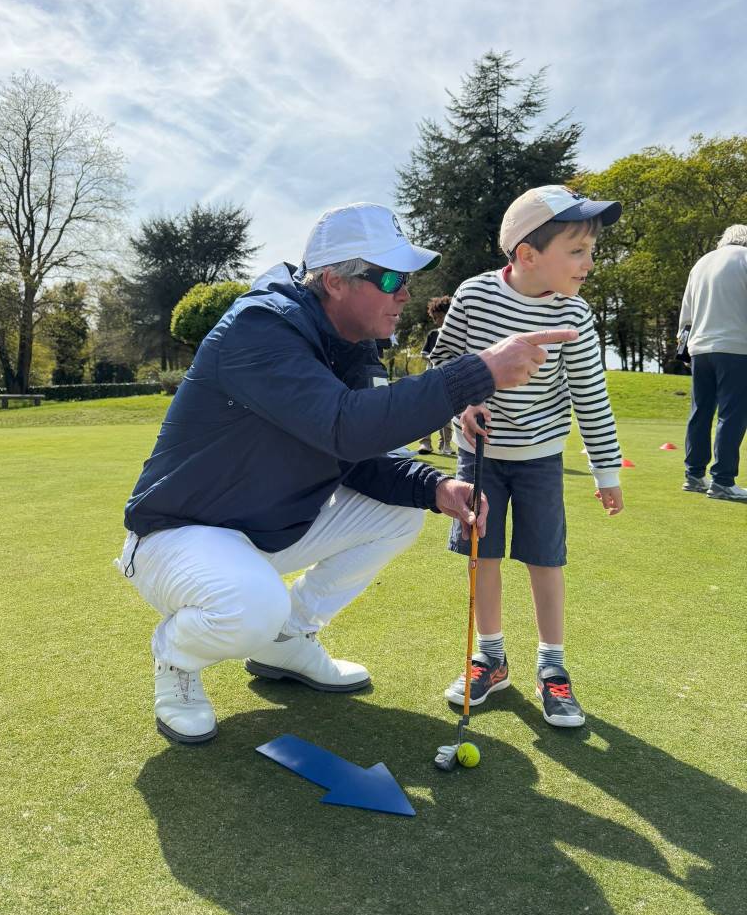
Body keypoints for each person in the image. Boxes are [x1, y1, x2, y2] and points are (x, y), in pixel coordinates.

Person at [116, 202, 578, 744]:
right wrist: (477, 372)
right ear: (334, 281)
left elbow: (361, 455)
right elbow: (344, 427)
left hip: (262, 535)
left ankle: (287, 640)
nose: (404, 292)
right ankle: (176, 659)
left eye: (407, 278)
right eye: (389, 277)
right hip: (178, 538)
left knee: (402, 513)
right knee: (252, 605)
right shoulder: (259, 329)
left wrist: (435, 486)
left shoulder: (354, 349)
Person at [430, 185, 624, 728]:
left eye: (591, 249)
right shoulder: (472, 296)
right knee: (482, 554)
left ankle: (552, 667)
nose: (589, 262)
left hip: (541, 458)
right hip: (480, 456)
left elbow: (590, 393)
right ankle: (489, 657)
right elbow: (446, 363)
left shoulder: (578, 317)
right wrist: (461, 408)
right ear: (527, 254)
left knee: (545, 558)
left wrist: (606, 471)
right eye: (577, 249)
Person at [679, 224, 747, 502]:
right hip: (736, 346)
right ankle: (722, 480)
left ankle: (694, 475)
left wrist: (684, 348)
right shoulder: (745, 259)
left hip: (700, 347)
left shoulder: (702, 262)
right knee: (732, 414)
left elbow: (687, 311)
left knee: (701, 411)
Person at [417, 295, 455, 456]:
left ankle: (445, 445)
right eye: (435, 318)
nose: (437, 320)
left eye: (440, 317)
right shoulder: (433, 334)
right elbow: (424, 353)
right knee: (427, 411)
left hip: (450, 379)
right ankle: (425, 444)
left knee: (447, 415)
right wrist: (435, 358)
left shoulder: (456, 334)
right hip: (432, 378)